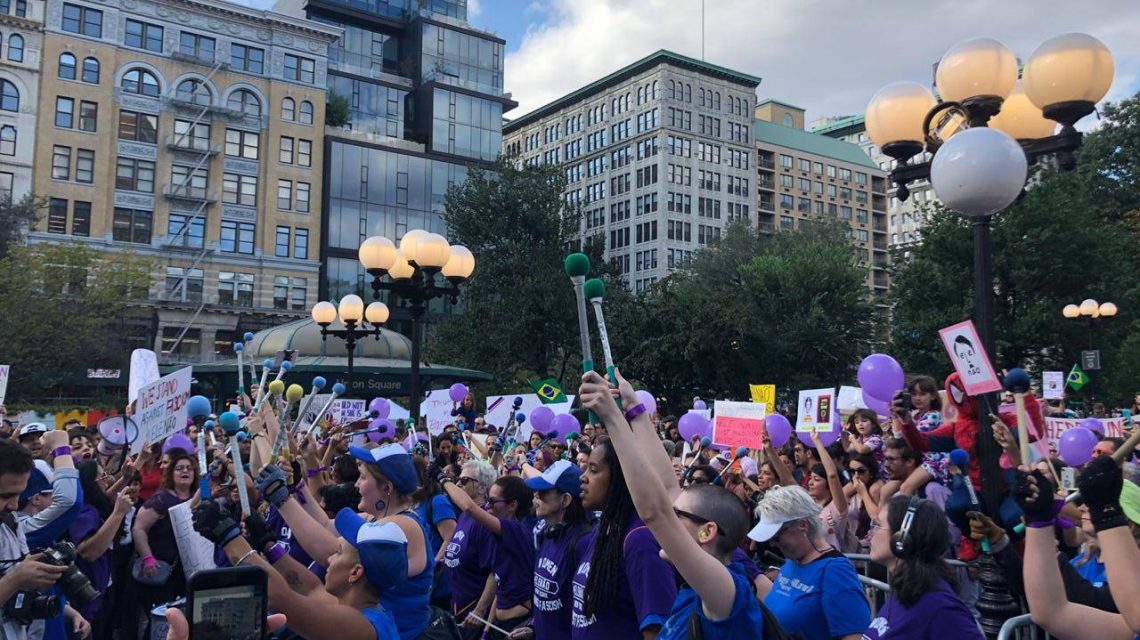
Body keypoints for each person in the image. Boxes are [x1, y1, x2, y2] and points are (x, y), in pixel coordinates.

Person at [580, 370, 764, 639]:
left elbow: (655, 512)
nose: (669, 515)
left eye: (677, 514)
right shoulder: (694, 588)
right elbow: (667, 489)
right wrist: (634, 411)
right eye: (672, 510)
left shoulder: (726, 592)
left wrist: (612, 418)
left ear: (707, 532)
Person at [262, 442, 433, 640]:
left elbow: (329, 552)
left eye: (363, 477)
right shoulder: (380, 520)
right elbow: (325, 525)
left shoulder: (402, 526)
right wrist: (297, 485)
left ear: (387, 487)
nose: (356, 484)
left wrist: (280, 498)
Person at [192, 499, 406, 640]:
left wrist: (229, 538)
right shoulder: (361, 609)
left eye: (338, 552)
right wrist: (268, 544)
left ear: (355, 573)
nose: (330, 558)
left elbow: (283, 599)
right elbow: (310, 588)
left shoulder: (364, 628)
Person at [573, 436, 676, 639]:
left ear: (622, 477)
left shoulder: (641, 542)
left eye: (593, 470)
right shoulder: (603, 528)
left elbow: (659, 632)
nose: (582, 477)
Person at [748, 485, 870, 640]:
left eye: (777, 536)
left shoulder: (835, 571)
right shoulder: (793, 559)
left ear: (803, 525)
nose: (772, 543)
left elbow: (854, 635)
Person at [863, 495, 982, 639]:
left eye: (876, 525)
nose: (869, 534)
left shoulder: (940, 607)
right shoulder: (905, 589)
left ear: (901, 538)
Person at [441, 471, 535, 637]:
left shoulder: (515, 530)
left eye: (492, 502)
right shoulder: (502, 534)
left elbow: (469, 507)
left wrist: (444, 480)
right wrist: (486, 631)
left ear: (512, 505)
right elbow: (499, 582)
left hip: (516, 624)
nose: (487, 506)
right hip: (500, 620)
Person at [509, 460, 590, 640]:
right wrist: (534, 626)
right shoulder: (548, 533)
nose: (535, 496)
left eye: (543, 492)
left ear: (566, 499)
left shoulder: (583, 543)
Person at [0, 439, 72, 640]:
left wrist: (38, 574)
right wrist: (15, 579)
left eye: (19, 495)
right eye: (6, 496)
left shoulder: (11, 523)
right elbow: (70, 502)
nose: (14, 505)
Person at [132, 451, 198, 635]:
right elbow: (138, 529)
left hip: (186, 572)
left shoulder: (197, 497)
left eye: (189, 468)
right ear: (171, 474)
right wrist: (148, 558)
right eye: (179, 468)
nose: (185, 471)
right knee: (161, 620)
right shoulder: (161, 499)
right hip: (160, 571)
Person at [442, 460, 497, 634]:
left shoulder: (485, 520)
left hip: (474, 613)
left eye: (464, 480)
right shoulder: (465, 515)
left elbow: (495, 571)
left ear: (482, 488)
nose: (458, 484)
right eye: (457, 479)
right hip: (458, 606)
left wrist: (480, 610)